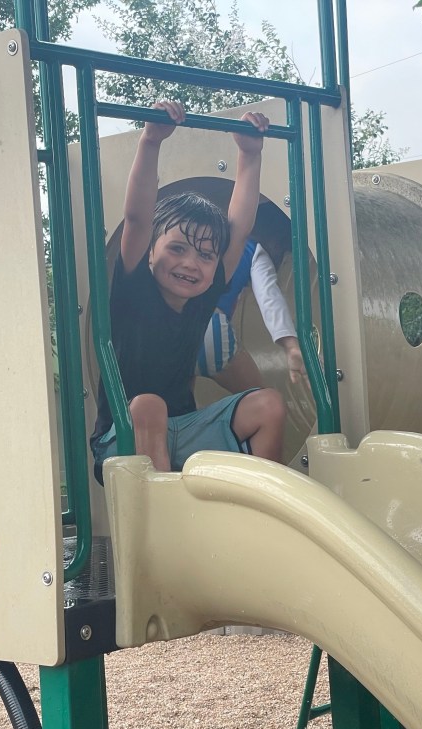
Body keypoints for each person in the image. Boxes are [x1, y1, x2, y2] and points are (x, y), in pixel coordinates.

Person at [90, 99, 287, 484]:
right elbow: (137, 217)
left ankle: (264, 507)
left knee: (269, 404)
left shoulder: (203, 296)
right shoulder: (134, 286)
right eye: (177, 248)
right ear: (150, 252)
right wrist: (151, 141)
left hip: (185, 430)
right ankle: (164, 514)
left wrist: (250, 155)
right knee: (149, 406)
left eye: (205, 255)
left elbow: (239, 228)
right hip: (123, 436)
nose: (191, 263)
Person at [196, 237, 306, 393]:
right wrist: (291, 345)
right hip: (211, 329)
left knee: (183, 401)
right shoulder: (253, 250)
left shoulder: (208, 237)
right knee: (263, 399)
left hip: (177, 322)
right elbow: (269, 297)